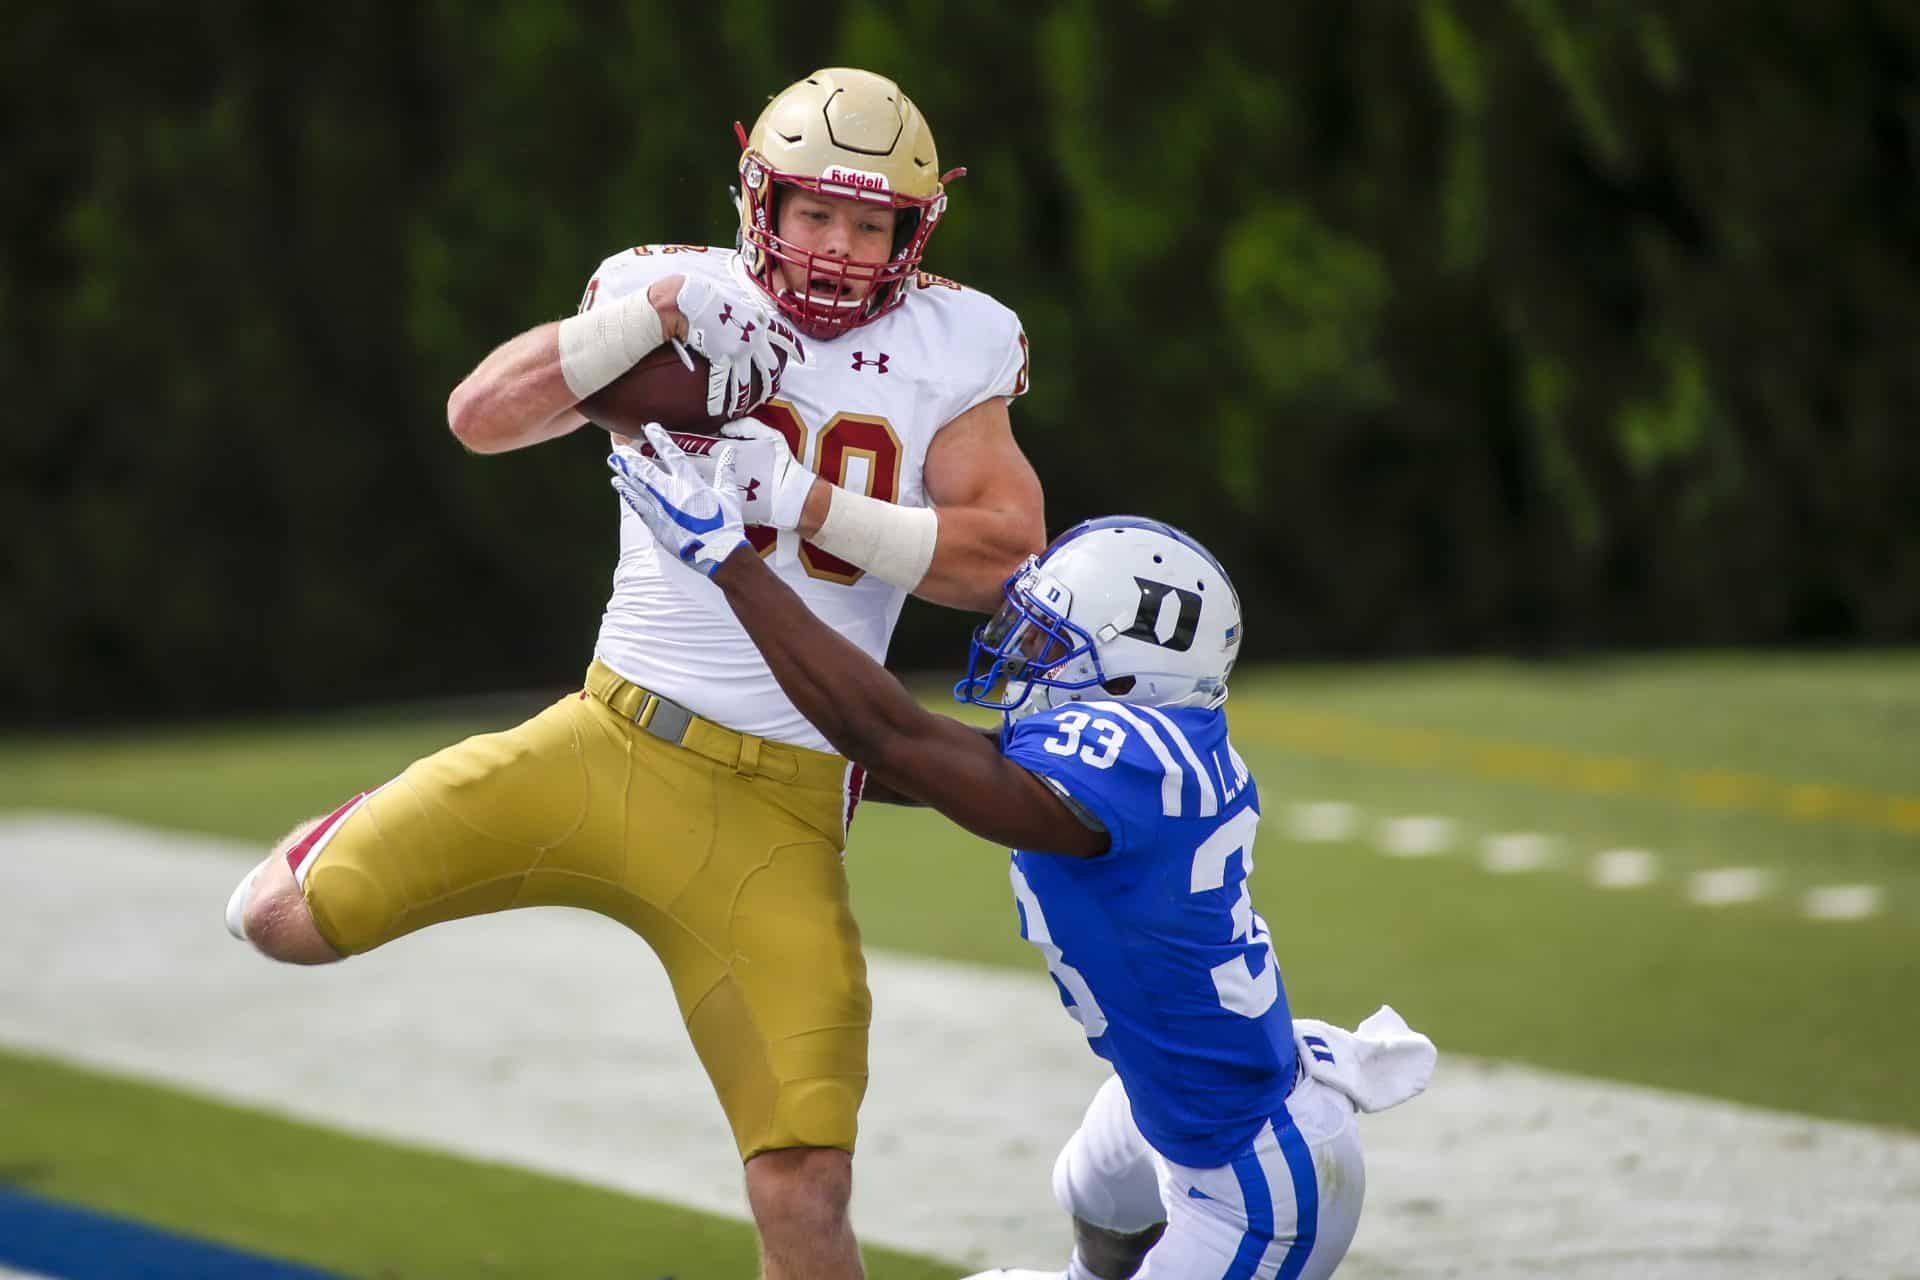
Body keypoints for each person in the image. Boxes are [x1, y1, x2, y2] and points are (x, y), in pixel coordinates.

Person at [223, 68, 1043, 1280]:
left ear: (913, 233)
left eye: (871, 224)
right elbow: (480, 418)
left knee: (805, 1185)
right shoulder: (676, 287)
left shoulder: (954, 339)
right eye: (816, 213)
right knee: (276, 921)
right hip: (604, 738)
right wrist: (644, 317)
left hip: (781, 804)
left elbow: (1001, 555)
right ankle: (337, 836)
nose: (838, 247)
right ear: (759, 200)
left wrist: (809, 501)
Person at [606, 426, 1437, 1279]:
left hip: (1253, 1186)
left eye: (1049, 641)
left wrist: (729, 562)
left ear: (1126, 675)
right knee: (1092, 1187)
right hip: (1184, 1101)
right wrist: (729, 747)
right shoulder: (1157, 738)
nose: (1023, 654)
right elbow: (932, 764)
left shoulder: (1134, 762)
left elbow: (896, 741)